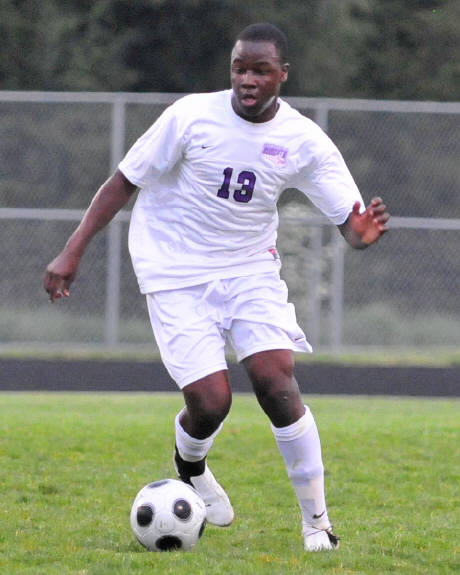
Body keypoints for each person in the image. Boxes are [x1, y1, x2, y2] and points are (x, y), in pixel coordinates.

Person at [44, 22, 389, 551]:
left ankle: (317, 525)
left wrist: (361, 235)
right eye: (239, 69)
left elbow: (351, 220)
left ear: (283, 75)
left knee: (277, 383)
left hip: (250, 270)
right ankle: (191, 465)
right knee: (210, 403)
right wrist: (72, 250)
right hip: (175, 269)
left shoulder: (302, 140)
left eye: (260, 71)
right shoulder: (190, 116)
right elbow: (123, 182)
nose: (247, 80)